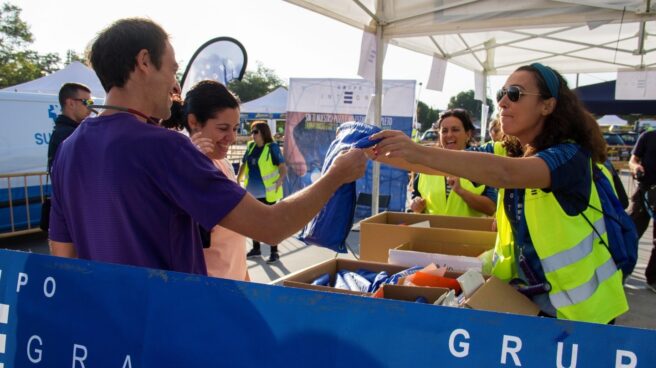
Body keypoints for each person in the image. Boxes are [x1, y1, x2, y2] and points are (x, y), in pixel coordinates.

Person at [48, 18, 367, 276]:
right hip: (170, 333)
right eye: (173, 69)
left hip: (109, 335)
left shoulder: (69, 148)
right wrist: (336, 174)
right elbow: (271, 226)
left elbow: (63, 254)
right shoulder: (165, 148)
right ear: (144, 62)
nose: (176, 86)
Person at [371, 63, 628, 324]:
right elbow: (438, 163)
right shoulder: (511, 150)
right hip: (528, 299)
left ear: (547, 105)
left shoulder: (569, 156)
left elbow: (506, 173)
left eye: (515, 93)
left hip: (582, 314)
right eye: (501, 94)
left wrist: (417, 150)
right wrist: (377, 151)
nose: (503, 102)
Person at [162, 80, 249, 280]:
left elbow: (232, 243)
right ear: (193, 122)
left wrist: (246, 281)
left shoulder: (223, 163)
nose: (232, 137)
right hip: (206, 292)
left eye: (235, 128)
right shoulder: (181, 168)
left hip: (231, 288)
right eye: (223, 128)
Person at [409, 109, 496, 217]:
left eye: (455, 130)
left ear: (467, 134)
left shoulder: (482, 164)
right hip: (431, 233)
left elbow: (491, 208)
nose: (449, 135)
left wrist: (461, 192)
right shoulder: (427, 164)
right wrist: (415, 204)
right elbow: (415, 197)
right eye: (444, 131)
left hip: (469, 233)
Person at [237, 121, 287, 263]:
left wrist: (280, 180)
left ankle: (274, 251)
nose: (252, 135)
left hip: (268, 194)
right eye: (251, 132)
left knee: (270, 222)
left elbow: (283, 167)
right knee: (253, 222)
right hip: (251, 193)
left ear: (263, 133)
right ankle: (256, 248)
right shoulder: (250, 146)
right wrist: (237, 179)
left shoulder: (272, 148)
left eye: (255, 132)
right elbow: (243, 164)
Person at [628, 129, 656, 292]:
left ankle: (653, 278)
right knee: (630, 233)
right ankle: (620, 272)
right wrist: (636, 167)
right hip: (644, 192)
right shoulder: (648, 136)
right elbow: (633, 160)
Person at [47, 83, 92, 172]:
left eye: (91, 103)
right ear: (71, 103)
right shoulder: (67, 135)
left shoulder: (65, 132)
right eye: (86, 102)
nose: (90, 107)